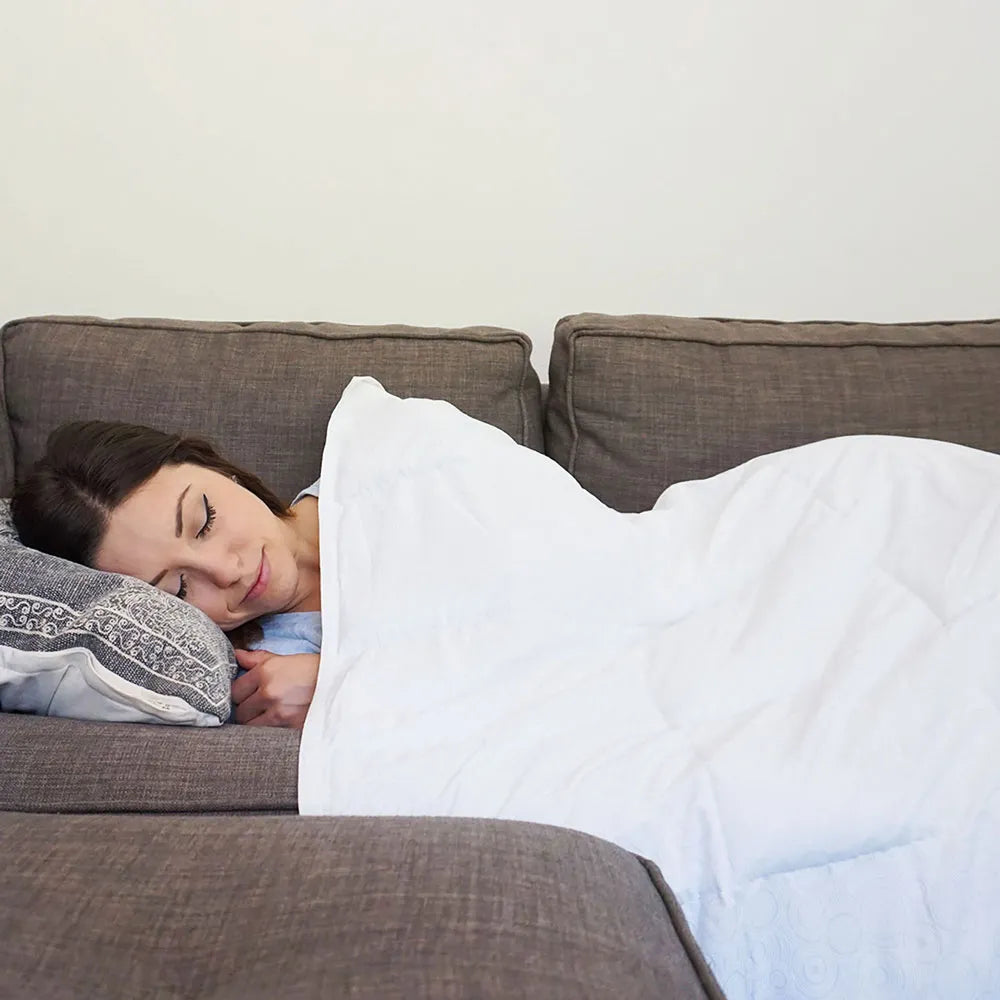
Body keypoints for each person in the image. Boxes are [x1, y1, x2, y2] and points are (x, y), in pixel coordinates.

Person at [11, 421, 323, 729]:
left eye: (205, 522)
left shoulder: (363, 465)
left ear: (218, 470)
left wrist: (338, 682)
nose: (226, 572)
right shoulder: (269, 688)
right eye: (179, 589)